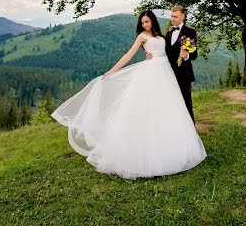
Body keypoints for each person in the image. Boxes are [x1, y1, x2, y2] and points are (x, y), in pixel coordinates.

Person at [51, 10, 206, 179]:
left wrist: (183, 53)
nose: (145, 25)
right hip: (152, 74)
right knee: (147, 110)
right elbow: (128, 55)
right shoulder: (141, 37)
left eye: (147, 22)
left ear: (153, 21)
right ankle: (145, 150)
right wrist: (111, 71)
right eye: (142, 23)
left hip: (166, 73)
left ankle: (172, 145)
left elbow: (168, 52)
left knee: (168, 109)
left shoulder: (163, 34)